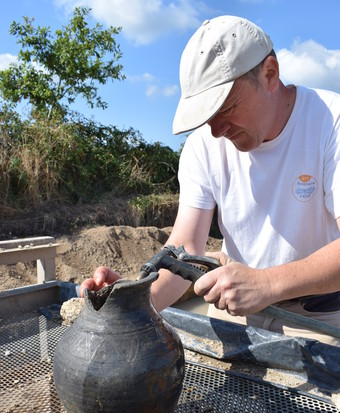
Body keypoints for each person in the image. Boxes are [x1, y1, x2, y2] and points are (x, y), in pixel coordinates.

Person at [81, 15, 340, 345]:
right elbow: (186, 247)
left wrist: (269, 284)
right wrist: (131, 300)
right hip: (236, 312)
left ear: (270, 74)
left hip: (319, 316)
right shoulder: (203, 145)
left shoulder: (330, 122)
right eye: (207, 118)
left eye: (225, 108)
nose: (217, 130)